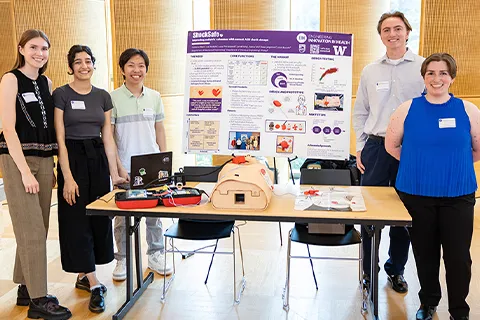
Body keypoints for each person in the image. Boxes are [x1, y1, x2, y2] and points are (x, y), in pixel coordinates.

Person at [386, 53, 478, 320]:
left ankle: (459, 310)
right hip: (417, 194)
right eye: (431, 73)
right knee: (425, 253)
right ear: (423, 77)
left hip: (458, 194)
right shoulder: (407, 108)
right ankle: (428, 302)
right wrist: (420, 162)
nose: (437, 79)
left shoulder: (468, 110)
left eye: (443, 73)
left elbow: (477, 148)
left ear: (452, 77)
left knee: (458, 257)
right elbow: (391, 146)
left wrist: (448, 164)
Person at [0, 29, 72, 319]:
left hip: (43, 160)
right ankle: (39, 301)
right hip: (18, 160)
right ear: (21, 48)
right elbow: (7, 127)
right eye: (33, 47)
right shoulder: (10, 79)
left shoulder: (46, 82)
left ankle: (26, 288)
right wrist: (24, 172)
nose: (39, 53)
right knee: (30, 230)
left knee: (36, 228)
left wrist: (50, 166)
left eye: (44, 48)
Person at [352, 11, 425, 293]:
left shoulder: (423, 67)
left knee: (403, 214)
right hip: (375, 147)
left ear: (407, 31)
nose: (392, 34)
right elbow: (361, 112)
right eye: (386, 30)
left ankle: (396, 270)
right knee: (370, 212)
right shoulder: (370, 70)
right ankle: (368, 269)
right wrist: (360, 147)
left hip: (410, 150)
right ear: (380, 35)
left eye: (397, 28)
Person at [53, 45, 125, 313]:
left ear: (94, 65)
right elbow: (59, 138)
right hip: (72, 155)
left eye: (88, 61)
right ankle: (95, 284)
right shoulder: (61, 94)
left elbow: (107, 137)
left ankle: (85, 275)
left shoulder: (103, 96)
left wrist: (114, 173)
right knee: (75, 218)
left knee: (97, 217)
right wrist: (67, 177)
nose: (84, 66)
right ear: (70, 66)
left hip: (96, 158)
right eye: (78, 62)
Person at [110, 48, 172, 280]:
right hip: (125, 165)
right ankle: (123, 259)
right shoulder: (113, 97)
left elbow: (159, 130)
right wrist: (117, 166)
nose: (137, 71)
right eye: (131, 66)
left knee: (154, 212)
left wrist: (165, 160)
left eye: (141, 66)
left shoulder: (155, 97)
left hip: (153, 164)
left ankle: (156, 253)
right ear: (123, 69)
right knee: (122, 216)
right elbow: (110, 135)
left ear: (146, 69)